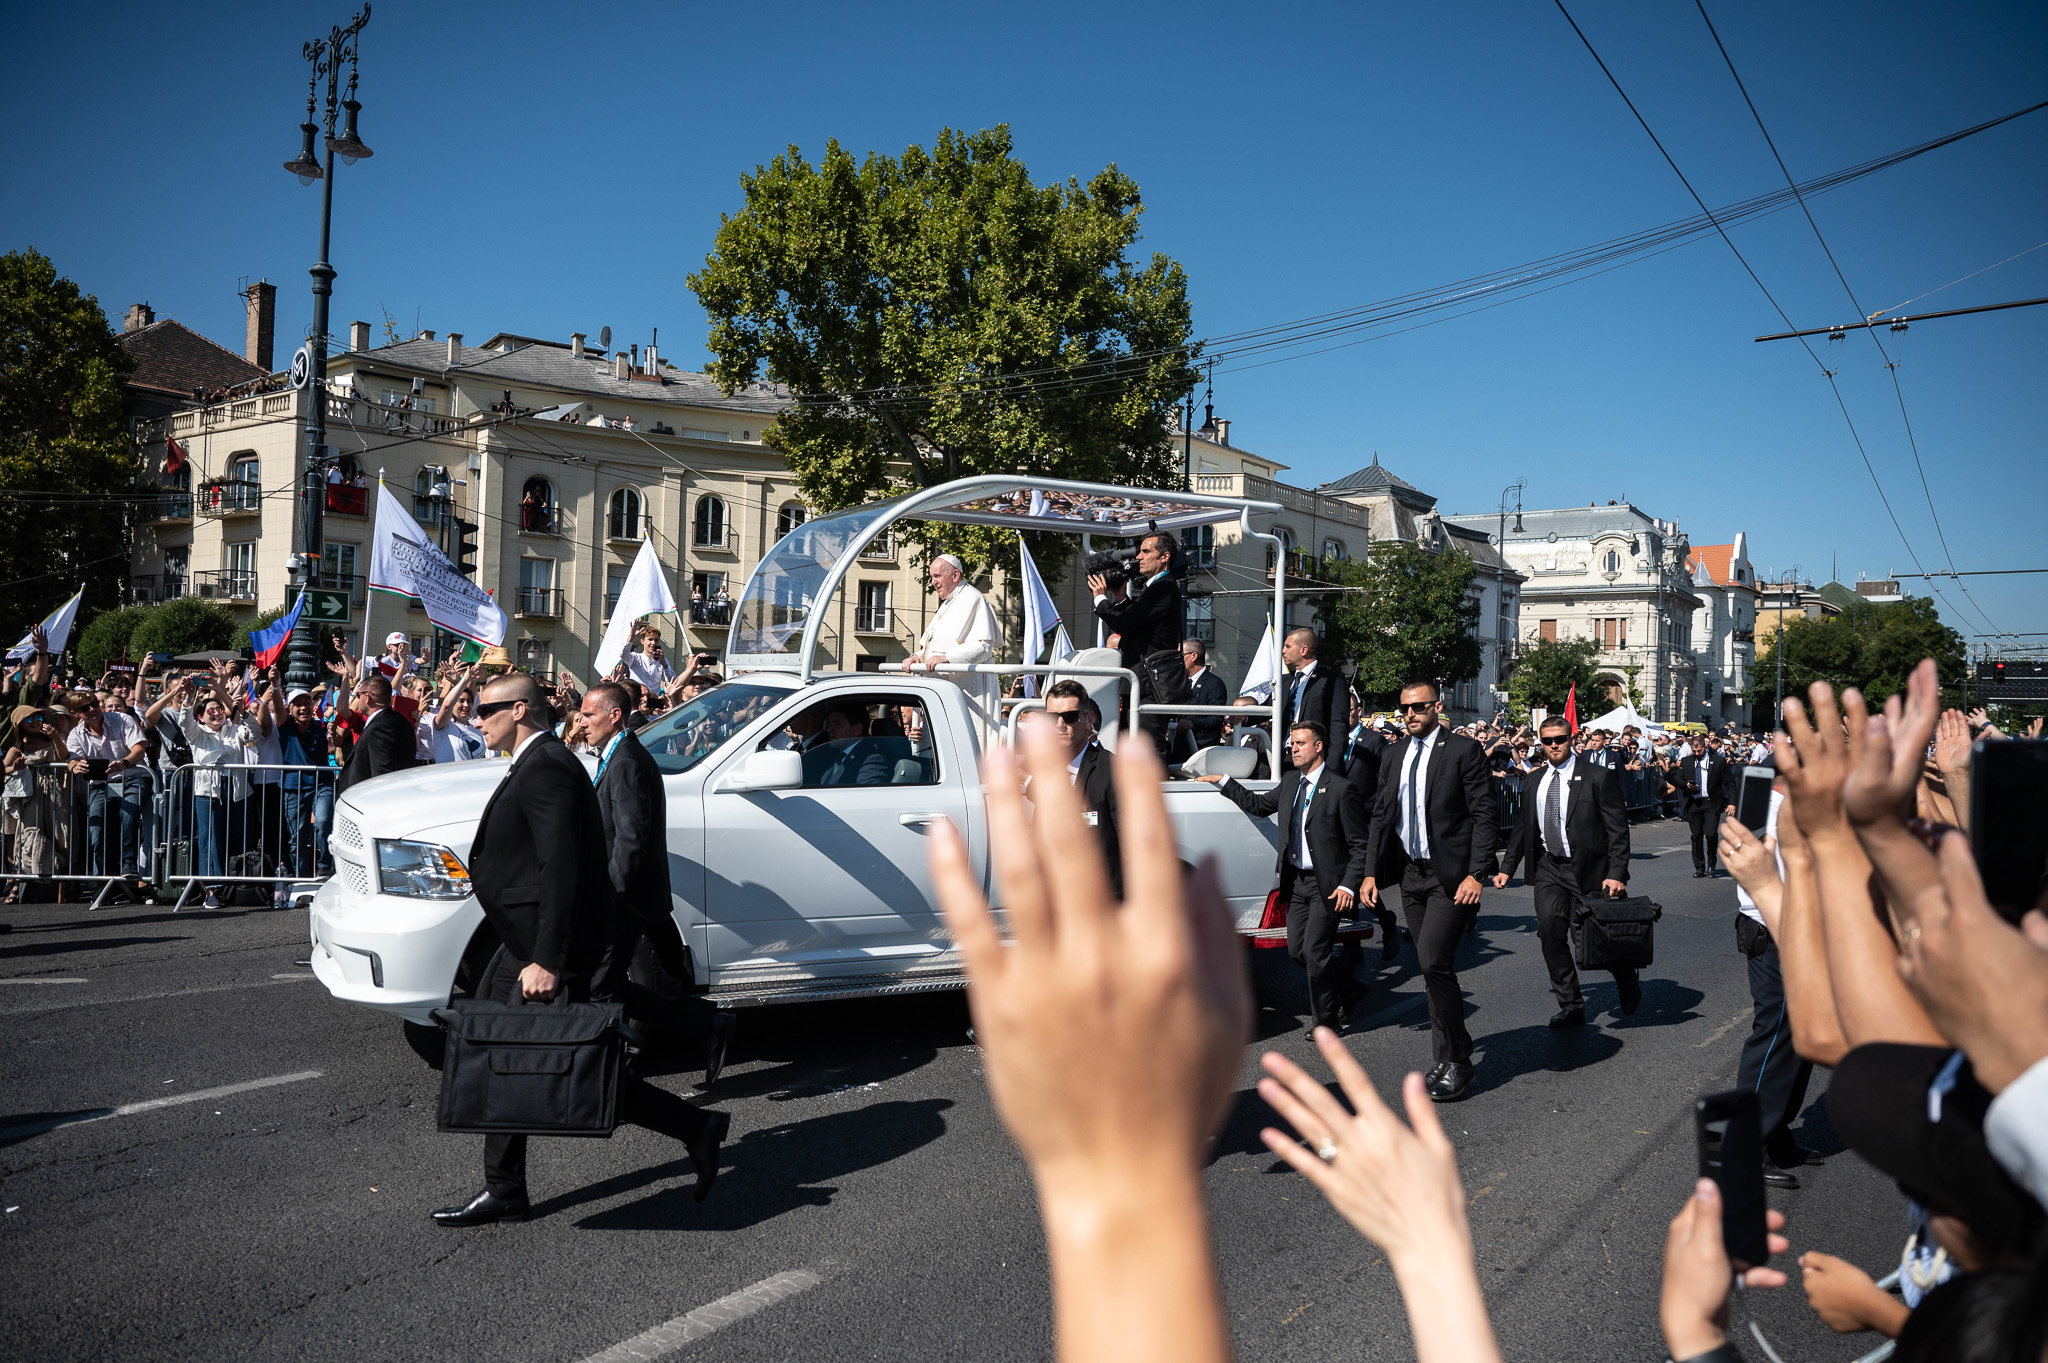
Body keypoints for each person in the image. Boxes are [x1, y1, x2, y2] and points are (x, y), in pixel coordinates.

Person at [431, 673, 730, 1227]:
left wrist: (547, 957)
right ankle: (505, 1188)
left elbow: (562, 868)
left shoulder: (547, 766)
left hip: (548, 949)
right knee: (509, 1054)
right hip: (526, 943)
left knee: (560, 1060)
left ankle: (696, 1128)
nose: (476, 720)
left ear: (519, 709)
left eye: (484, 709)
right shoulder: (542, 761)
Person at [580, 682, 737, 1085]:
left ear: (615, 715)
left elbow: (631, 839)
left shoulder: (628, 761)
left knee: (602, 983)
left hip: (628, 898)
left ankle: (619, 1067)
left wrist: (612, 899)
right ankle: (704, 1023)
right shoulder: (617, 756)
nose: (581, 723)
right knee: (608, 983)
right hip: (631, 897)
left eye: (589, 715)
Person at [1361, 679, 1497, 1102]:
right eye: (1404, 708)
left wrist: (1478, 873)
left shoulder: (1462, 750)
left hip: (1450, 876)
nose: (1410, 714)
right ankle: (1446, 1056)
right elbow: (1382, 815)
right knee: (1429, 969)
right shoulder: (1394, 753)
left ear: (1437, 707)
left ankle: (1459, 1059)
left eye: (1418, 706)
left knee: (1434, 961)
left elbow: (1484, 813)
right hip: (1411, 875)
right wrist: (1369, 873)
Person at [1197, 720, 1370, 1034]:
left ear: (1319, 747)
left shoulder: (1342, 789)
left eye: (1301, 743)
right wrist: (1224, 781)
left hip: (1327, 886)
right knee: (1297, 951)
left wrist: (1348, 884)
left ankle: (1326, 1022)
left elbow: (1360, 845)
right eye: (1292, 743)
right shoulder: (1291, 781)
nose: (1293, 748)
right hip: (1297, 882)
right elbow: (1259, 806)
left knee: (1316, 953)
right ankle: (1349, 986)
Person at [1492, 715, 1640, 1026]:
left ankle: (1627, 978)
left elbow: (1617, 829)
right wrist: (1507, 867)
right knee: (1549, 932)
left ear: (1571, 739)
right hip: (1549, 867)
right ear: (1540, 743)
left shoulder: (1597, 777)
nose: (1554, 745)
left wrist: (1616, 872)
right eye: (1547, 741)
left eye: (1560, 739)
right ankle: (1572, 1005)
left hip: (1590, 869)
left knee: (1596, 938)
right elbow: (1522, 828)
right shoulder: (1534, 780)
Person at [1087, 534, 1184, 751]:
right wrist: (1120, 598)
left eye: (1146, 551)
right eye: (1139, 551)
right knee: (1132, 746)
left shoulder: (1164, 588)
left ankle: (1153, 784)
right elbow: (1138, 624)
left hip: (1150, 685)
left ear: (1165, 557)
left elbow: (1125, 624)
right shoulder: (1157, 587)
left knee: (1146, 747)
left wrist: (1100, 599)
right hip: (1143, 682)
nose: (1138, 557)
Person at [1028, 681, 1121, 897]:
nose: (1060, 724)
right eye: (1052, 717)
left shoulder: (1113, 769)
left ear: (1088, 720)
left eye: (1070, 717)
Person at [907, 554, 1001, 741]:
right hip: (945, 690)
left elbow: (983, 646)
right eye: (932, 577)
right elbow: (934, 645)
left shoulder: (973, 598)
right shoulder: (947, 603)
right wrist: (917, 656)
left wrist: (948, 658)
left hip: (970, 691)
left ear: (955, 575)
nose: (933, 582)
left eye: (937, 576)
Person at [63, 689, 146, 879]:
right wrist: (76, 767)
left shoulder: (122, 719)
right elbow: (73, 759)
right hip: (101, 783)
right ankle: (104, 877)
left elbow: (139, 748)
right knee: (97, 830)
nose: (93, 709)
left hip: (133, 776)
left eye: (94, 703)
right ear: (75, 713)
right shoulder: (76, 734)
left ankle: (128, 865)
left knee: (128, 814)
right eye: (86, 708)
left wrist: (124, 763)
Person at [1277, 628, 1350, 774]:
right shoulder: (1284, 682)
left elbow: (1338, 725)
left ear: (1304, 650)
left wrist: (1331, 768)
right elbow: (1265, 709)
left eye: (1288, 646)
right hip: (1284, 762)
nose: (1283, 651)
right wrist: (1242, 715)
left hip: (1316, 763)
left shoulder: (1330, 679)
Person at [335, 674, 418, 796]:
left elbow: (382, 774)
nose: (358, 700)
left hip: (372, 800)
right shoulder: (402, 721)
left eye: (359, 695)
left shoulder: (380, 727)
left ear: (367, 697)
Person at [1677, 733, 1735, 877]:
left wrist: (1732, 803)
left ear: (1705, 746)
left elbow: (1730, 782)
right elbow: (1677, 778)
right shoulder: (1686, 761)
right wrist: (1686, 785)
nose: (1697, 753)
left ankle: (1712, 864)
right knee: (1696, 835)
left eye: (1699, 751)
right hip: (1694, 803)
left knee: (1710, 834)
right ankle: (1699, 867)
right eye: (1694, 751)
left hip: (1711, 803)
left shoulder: (1718, 761)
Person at [1171, 638, 1227, 763]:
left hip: (1200, 753)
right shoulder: (1180, 684)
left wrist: (1193, 722)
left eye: (1180, 655)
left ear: (1193, 656)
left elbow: (1216, 718)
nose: (1177, 659)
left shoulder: (1214, 684)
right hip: (1178, 750)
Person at [423, 664, 487, 763]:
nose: (466, 705)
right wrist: (465, 679)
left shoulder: (476, 727)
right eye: (460, 701)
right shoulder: (443, 726)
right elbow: (447, 706)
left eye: (469, 701)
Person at [623, 625, 673, 697]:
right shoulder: (635, 657)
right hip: (638, 700)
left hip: (653, 701)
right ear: (642, 641)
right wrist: (631, 637)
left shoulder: (663, 660)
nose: (653, 643)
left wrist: (665, 665)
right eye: (650, 639)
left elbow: (673, 681)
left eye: (656, 640)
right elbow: (623, 654)